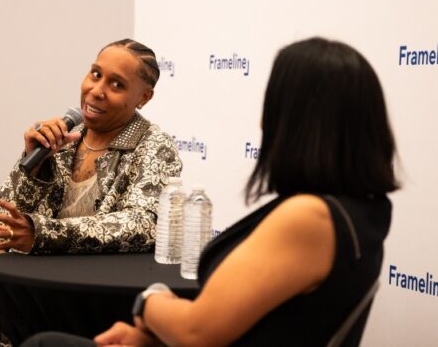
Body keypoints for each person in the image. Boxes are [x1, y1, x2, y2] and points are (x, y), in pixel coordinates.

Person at [20, 37, 399, 347]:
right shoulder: (363, 210)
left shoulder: (309, 218)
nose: (262, 121)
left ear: (298, 122)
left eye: (273, 104)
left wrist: (150, 300)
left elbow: (195, 332)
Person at [0, 39, 182, 347]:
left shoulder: (153, 145)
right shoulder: (62, 135)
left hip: (88, 301)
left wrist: (43, 233)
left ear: (144, 97)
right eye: (95, 74)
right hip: (30, 288)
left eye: (116, 84)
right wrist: (33, 169)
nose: (97, 90)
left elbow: (141, 224)